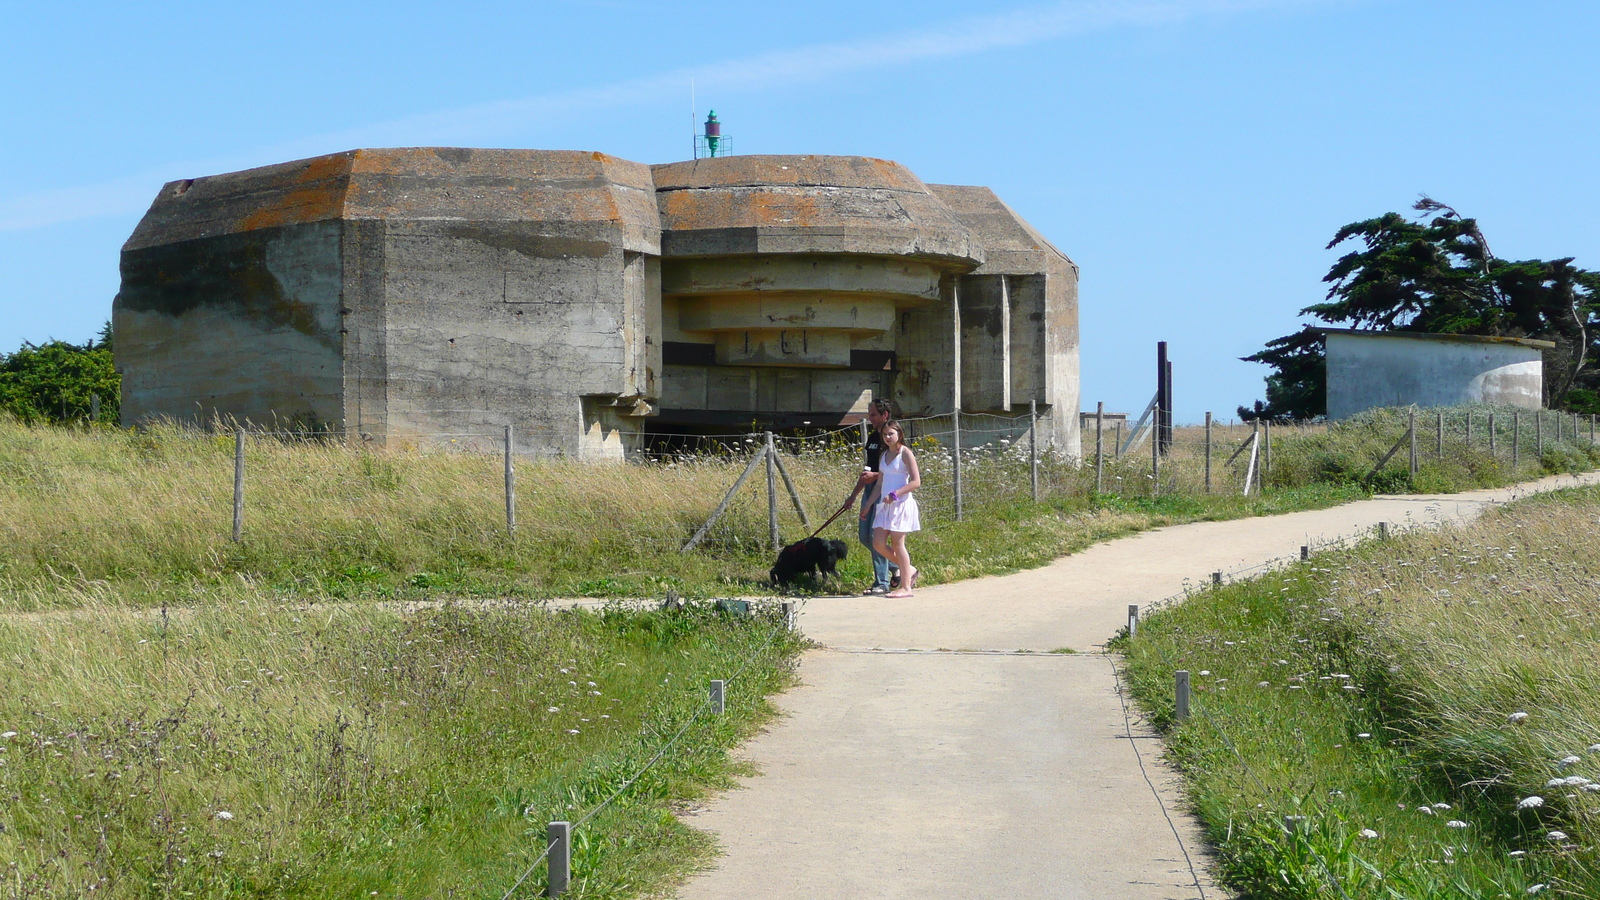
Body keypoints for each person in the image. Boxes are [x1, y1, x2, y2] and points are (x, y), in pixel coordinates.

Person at [865, 420, 922, 599]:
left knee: (898, 544)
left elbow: (916, 482)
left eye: (891, 434)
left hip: (901, 505)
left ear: (899, 434)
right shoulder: (883, 456)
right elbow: (879, 483)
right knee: (878, 543)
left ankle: (906, 587)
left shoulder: (905, 454)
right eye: (884, 435)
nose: (887, 437)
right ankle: (909, 570)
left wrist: (896, 494)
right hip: (885, 506)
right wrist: (868, 504)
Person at [848, 399, 899, 595]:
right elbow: (867, 471)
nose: (870, 418)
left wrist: (875, 476)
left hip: (885, 492)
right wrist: (853, 496)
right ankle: (900, 568)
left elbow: (897, 472)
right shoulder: (871, 438)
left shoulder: (891, 440)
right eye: (869, 414)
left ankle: (882, 583)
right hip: (870, 490)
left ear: (885, 415)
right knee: (864, 537)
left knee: (874, 536)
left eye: (873, 415)